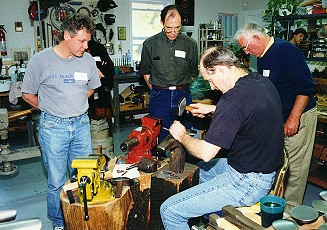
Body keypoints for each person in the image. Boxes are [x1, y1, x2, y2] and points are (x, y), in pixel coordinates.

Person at [160, 47, 284, 229]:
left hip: (246, 182)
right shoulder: (260, 81)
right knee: (201, 171)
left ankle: (192, 214)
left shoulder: (232, 100)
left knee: (169, 211)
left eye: (210, 80)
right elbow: (248, 110)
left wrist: (182, 136)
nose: (212, 86)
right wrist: (214, 110)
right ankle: (205, 215)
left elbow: (205, 152)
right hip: (261, 168)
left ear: (221, 68)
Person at [21, 13, 100, 230]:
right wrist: (51, 108)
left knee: (82, 176)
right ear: (66, 35)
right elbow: (27, 94)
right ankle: (58, 222)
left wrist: (73, 101)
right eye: (81, 41)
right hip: (53, 127)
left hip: (82, 125)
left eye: (87, 41)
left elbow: (92, 87)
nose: (85, 46)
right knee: (56, 181)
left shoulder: (87, 61)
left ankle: (81, 219)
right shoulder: (40, 60)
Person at [234, 22, 317, 215]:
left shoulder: (286, 51)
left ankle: (289, 212)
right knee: (279, 163)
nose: (246, 53)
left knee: (295, 168)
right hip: (280, 117)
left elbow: (306, 88)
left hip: (299, 116)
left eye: (246, 48)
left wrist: (293, 118)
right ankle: (276, 204)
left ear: (256, 38)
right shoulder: (262, 56)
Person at [139, 4, 198, 145]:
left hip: (182, 95)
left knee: (185, 135)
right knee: (158, 135)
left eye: (177, 28)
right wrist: (155, 89)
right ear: (162, 23)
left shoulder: (190, 44)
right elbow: (146, 71)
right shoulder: (150, 44)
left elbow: (193, 73)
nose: (173, 32)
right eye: (169, 28)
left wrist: (181, 86)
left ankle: (185, 166)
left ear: (181, 24)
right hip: (160, 96)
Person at [87, 37, 115, 136]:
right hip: (83, 92)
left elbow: (108, 67)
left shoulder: (98, 48)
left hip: (101, 90)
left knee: (103, 123)